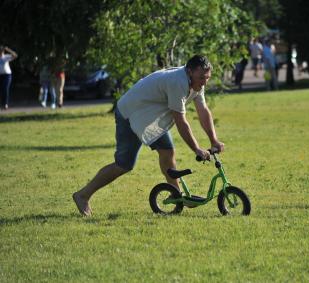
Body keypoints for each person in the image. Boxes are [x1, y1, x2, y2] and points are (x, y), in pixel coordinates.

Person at [72, 55, 225, 216]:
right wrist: (196, 149)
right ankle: (83, 195)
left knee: (167, 152)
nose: (204, 82)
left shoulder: (196, 83)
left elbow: (203, 111)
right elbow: (181, 121)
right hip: (131, 113)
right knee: (124, 164)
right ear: (189, 72)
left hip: (149, 116)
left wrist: (214, 140)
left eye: (207, 78)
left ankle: (177, 196)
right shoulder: (177, 82)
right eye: (201, 78)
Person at [0, 46, 18, 110]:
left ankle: (5, 104)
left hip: (7, 75)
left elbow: (15, 55)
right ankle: (2, 104)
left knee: (5, 88)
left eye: (2, 51)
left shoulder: (6, 57)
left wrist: (8, 49)